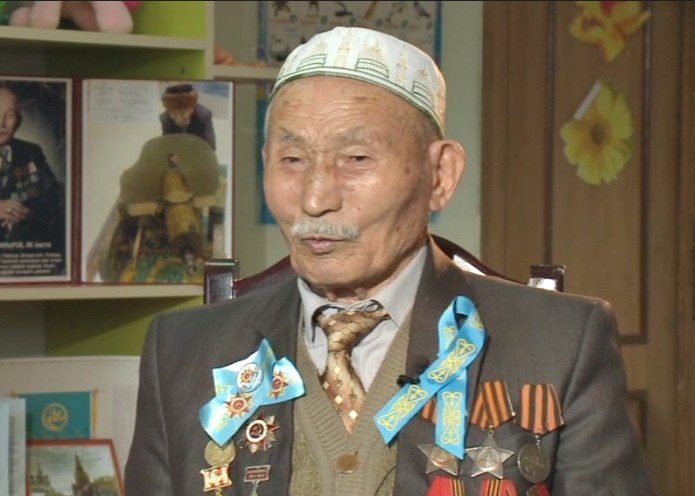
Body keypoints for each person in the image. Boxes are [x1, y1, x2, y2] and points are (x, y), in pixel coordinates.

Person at [125, 27, 655, 495]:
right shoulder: (183, 351)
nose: (315, 199)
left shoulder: (559, 344)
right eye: (292, 159)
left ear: (440, 175)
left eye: (356, 159)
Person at [0, 84, 65, 254]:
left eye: (9, 115)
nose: (1, 123)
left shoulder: (31, 151)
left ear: (18, 120)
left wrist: (26, 214)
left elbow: (55, 200)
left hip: (22, 254)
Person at [159, 83, 216, 150]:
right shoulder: (165, 118)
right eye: (173, 113)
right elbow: (167, 143)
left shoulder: (204, 117)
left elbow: (210, 147)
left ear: (192, 108)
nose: (178, 118)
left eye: (182, 113)